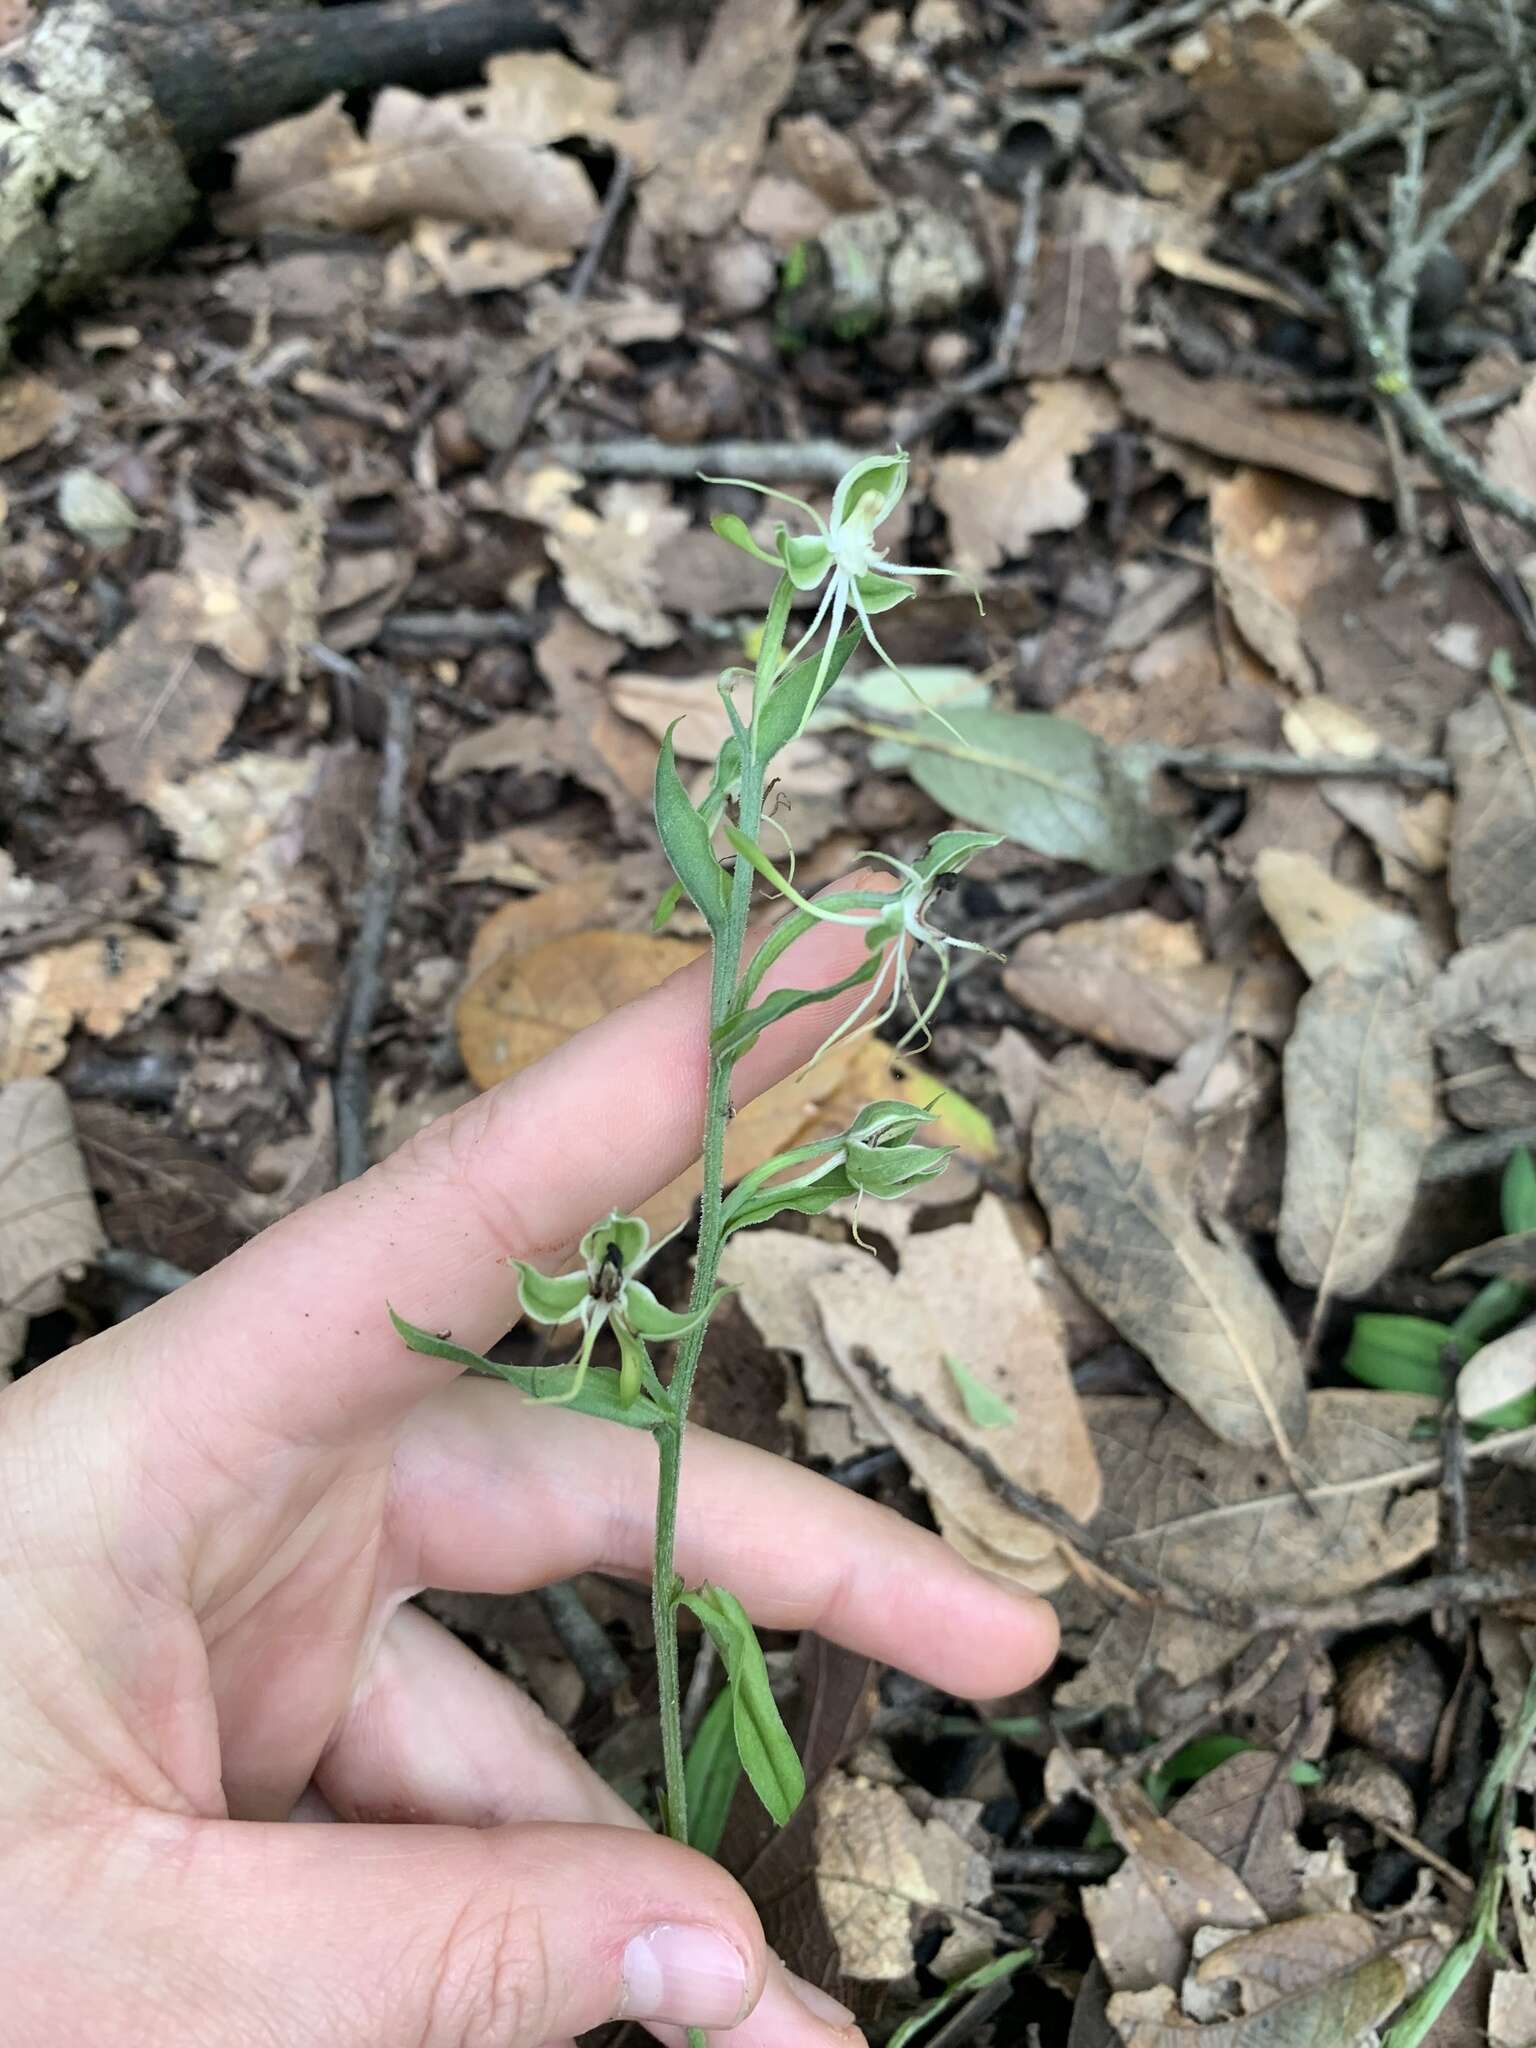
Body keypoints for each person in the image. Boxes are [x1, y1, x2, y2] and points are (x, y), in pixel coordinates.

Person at [0, 894, 1058, 2046]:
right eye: (605, 1272)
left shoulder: (640, 1293)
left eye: (616, 1271)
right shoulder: (598, 1295)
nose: (606, 1280)